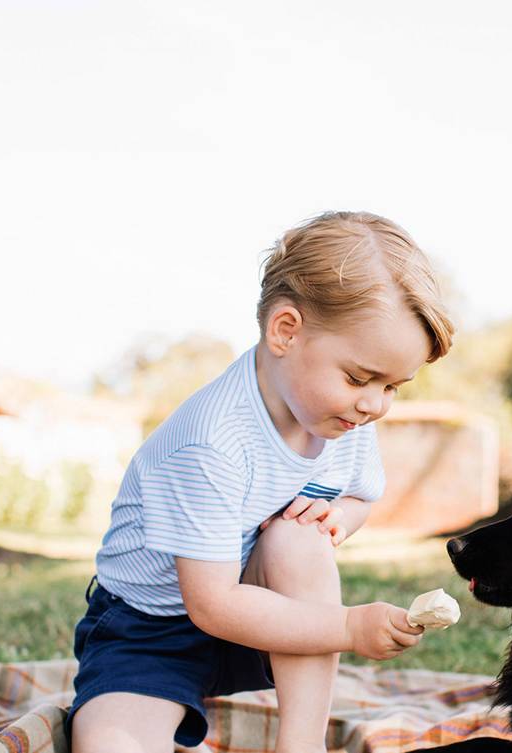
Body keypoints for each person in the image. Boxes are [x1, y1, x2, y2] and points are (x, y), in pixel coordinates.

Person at [68, 211, 456, 753]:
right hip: (151, 630)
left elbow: (359, 497)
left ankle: (301, 743)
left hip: (264, 612)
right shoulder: (211, 442)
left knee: (299, 539)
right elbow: (212, 605)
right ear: (285, 331)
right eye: (358, 378)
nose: (374, 405)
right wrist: (347, 628)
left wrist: (338, 517)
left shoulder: (343, 420)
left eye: (393, 386)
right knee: (112, 746)